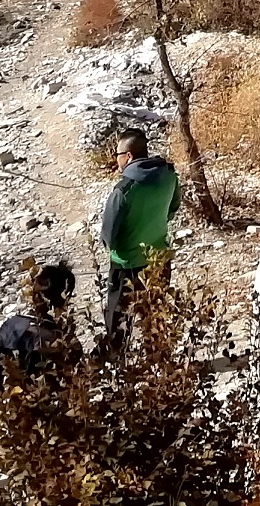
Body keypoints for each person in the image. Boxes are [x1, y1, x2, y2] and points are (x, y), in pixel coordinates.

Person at [97, 126, 179, 351]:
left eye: (118, 155)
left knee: (118, 320)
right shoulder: (169, 174)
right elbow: (173, 208)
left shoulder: (124, 190)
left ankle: (118, 363)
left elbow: (109, 235)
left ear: (129, 156)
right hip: (159, 258)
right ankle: (158, 360)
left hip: (127, 265)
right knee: (154, 314)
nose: (117, 161)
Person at [0, 260, 81, 387]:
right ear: (65, 300)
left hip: (13, 398)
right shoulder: (66, 343)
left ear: (34, 297)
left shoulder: (12, 325)